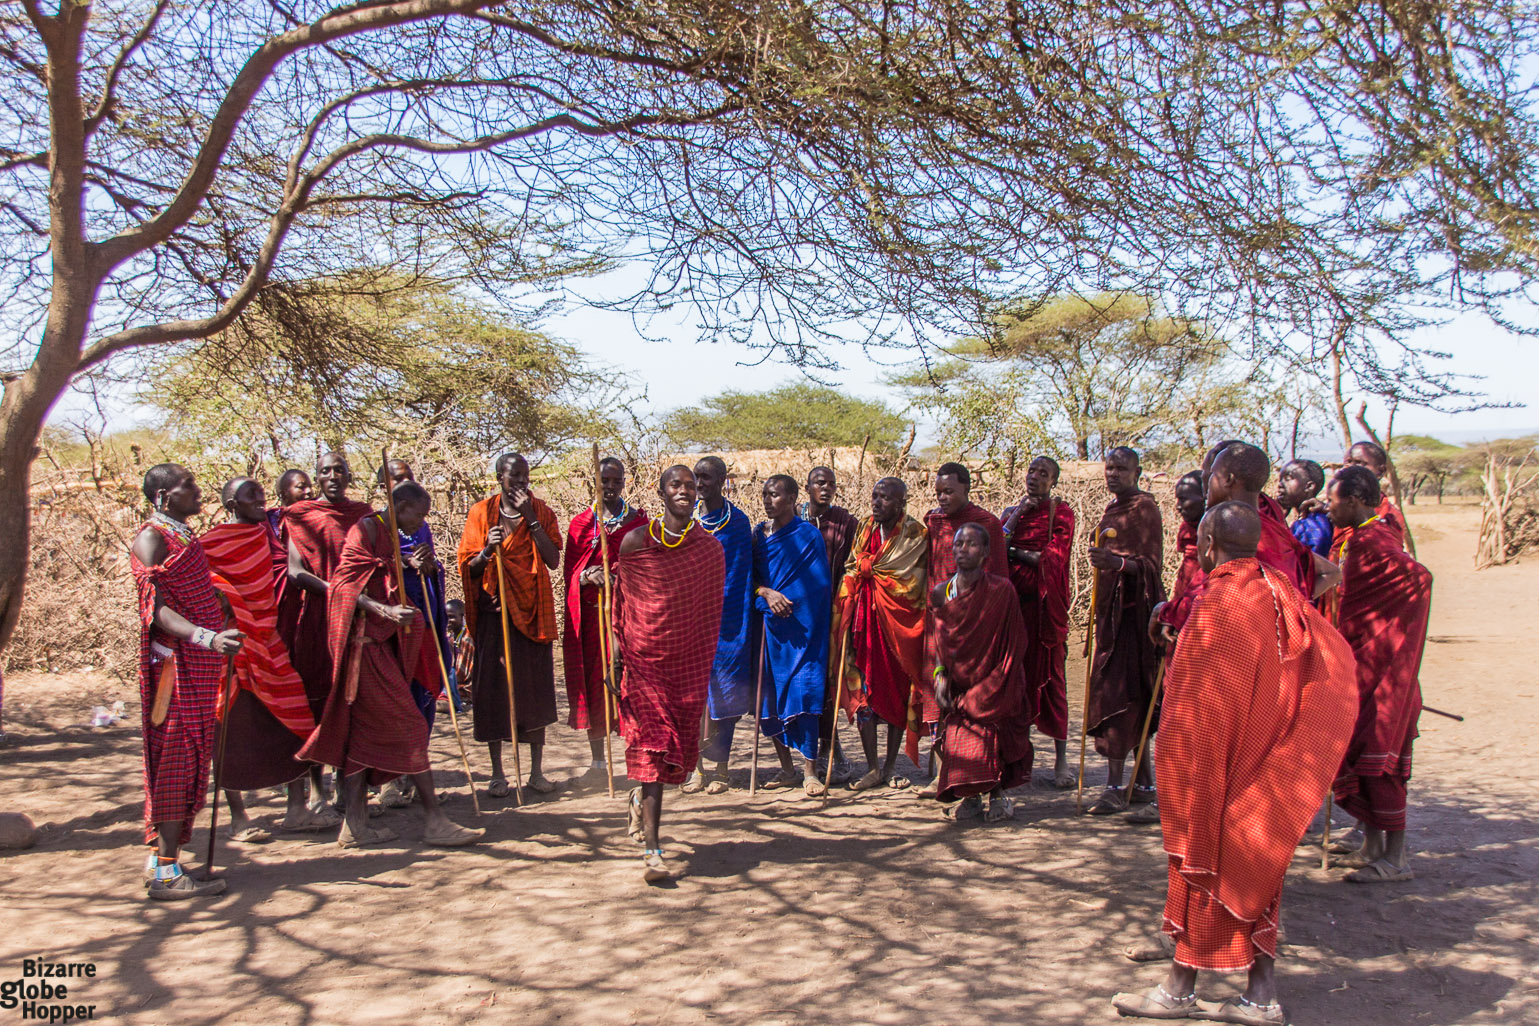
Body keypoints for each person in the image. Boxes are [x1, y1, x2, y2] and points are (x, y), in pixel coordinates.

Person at [1111, 502, 1357, 1025]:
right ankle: (1260, 996)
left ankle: (1179, 990)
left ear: (1206, 543)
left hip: (1220, 766)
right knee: (1258, 870)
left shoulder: (1220, 601)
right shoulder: (1281, 590)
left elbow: (1200, 704)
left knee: (1202, 865)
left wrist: (1187, 773)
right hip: (1267, 762)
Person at [298, 482, 483, 849]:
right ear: (399, 506)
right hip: (363, 650)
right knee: (411, 727)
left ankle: (355, 826)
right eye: (418, 514)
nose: (421, 522)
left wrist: (417, 567)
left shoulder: (391, 536)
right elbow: (343, 587)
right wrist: (384, 609)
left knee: (361, 737)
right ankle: (435, 821)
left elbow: (390, 575)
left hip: (387, 646)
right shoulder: (366, 530)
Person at [130, 464, 244, 899]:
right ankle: (164, 874)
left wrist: (221, 606)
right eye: (187, 487)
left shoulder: (182, 535)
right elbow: (156, 608)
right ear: (162, 496)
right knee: (176, 762)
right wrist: (207, 635)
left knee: (191, 759)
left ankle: (164, 860)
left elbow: (195, 590)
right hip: (174, 672)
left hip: (198, 663)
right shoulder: (152, 539)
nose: (198, 492)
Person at [201, 477, 337, 840]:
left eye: (262, 494)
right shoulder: (211, 541)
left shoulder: (273, 534)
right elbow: (197, 580)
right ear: (231, 503)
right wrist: (222, 590)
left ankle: (297, 809)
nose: (260, 501)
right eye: (251, 496)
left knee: (295, 719)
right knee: (230, 728)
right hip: (234, 644)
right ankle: (239, 817)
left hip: (269, 641)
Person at [613, 465, 726, 882]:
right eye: (675, 485)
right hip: (643, 662)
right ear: (661, 493)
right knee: (653, 748)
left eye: (690, 486)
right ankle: (652, 850)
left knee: (671, 754)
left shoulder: (708, 550)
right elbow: (620, 605)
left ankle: (640, 803)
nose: (684, 491)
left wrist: (701, 659)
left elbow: (709, 614)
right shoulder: (634, 543)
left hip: (685, 664)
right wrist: (615, 654)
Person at [1326, 465, 1433, 884]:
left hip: (1385, 673)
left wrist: (1396, 648)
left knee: (1382, 764)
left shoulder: (1375, 541)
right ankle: (1371, 848)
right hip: (1363, 666)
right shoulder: (1362, 539)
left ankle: (1397, 859)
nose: (1329, 508)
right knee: (1360, 754)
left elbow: (1419, 579)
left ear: (1353, 501)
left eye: (1334, 501)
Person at [457, 453, 562, 797]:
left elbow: (553, 560)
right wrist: (487, 552)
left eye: (525, 477)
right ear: (499, 477)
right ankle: (498, 774)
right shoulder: (481, 513)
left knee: (534, 692)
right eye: (513, 476)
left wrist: (531, 519)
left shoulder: (542, 511)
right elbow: (468, 567)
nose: (520, 483)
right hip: (494, 613)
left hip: (532, 611)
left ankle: (535, 772)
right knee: (493, 693)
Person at [282, 452, 375, 810]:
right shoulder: (299, 516)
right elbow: (294, 571)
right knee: (317, 702)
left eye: (339, 470)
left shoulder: (363, 514)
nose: (333, 476)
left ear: (349, 476)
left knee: (354, 701)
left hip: (359, 619)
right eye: (325, 471)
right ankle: (317, 791)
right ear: (316, 477)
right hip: (319, 618)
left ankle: (349, 791)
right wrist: (338, 591)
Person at [932, 523, 1033, 823]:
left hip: (996, 681)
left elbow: (1014, 641)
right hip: (959, 685)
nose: (963, 550)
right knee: (961, 739)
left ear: (987, 552)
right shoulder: (942, 593)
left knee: (993, 733)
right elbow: (940, 642)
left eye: (972, 544)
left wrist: (997, 683)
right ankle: (971, 798)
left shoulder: (1002, 591)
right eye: (959, 544)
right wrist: (940, 677)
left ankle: (998, 796)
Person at [1083, 446, 1166, 816]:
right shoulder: (1110, 510)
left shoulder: (1144, 508)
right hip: (1111, 617)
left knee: (1124, 698)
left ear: (1137, 472)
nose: (1113, 474)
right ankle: (1143, 783)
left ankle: (1115, 788)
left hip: (1134, 621)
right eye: (1109, 467)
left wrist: (1115, 562)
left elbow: (1151, 565)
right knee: (1121, 696)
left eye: (1121, 468)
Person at [831, 477, 926, 791]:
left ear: (900, 502)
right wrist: (852, 582)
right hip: (863, 625)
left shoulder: (915, 534)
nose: (876, 502)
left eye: (885, 498)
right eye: (874, 496)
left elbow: (914, 584)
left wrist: (874, 573)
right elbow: (851, 565)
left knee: (898, 694)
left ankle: (890, 766)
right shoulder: (865, 528)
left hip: (898, 628)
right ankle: (872, 768)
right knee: (864, 694)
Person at [917, 462, 1008, 789]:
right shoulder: (934, 522)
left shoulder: (987, 524)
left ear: (967, 489)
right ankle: (945, 773)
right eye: (938, 492)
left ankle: (983, 776)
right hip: (940, 623)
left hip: (978, 627)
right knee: (939, 694)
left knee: (976, 699)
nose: (942, 498)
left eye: (949, 492)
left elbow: (999, 578)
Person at [563, 456, 648, 787]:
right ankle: (598, 762)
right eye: (604, 481)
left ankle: (634, 757)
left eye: (616, 481)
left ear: (624, 482)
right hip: (592, 619)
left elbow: (647, 568)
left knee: (630, 683)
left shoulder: (639, 522)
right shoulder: (580, 525)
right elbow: (570, 572)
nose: (609, 487)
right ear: (593, 483)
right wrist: (585, 575)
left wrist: (617, 576)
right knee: (595, 684)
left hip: (629, 615)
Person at [376, 458, 450, 808]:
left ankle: (413, 773)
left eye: (407, 478)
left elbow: (432, 569)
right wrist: (402, 562)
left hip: (422, 625)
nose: (403, 483)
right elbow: (364, 571)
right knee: (391, 703)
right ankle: (387, 780)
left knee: (421, 698)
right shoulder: (373, 526)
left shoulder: (419, 527)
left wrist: (430, 566)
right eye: (396, 480)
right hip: (386, 629)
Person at [753, 475, 834, 796]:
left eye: (774, 495)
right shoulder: (758, 537)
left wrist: (794, 605)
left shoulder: (808, 536)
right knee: (768, 699)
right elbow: (749, 580)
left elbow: (819, 587)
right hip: (770, 631)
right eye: (764, 494)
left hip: (804, 631)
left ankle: (810, 771)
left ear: (791, 498)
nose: (767, 500)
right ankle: (787, 769)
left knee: (806, 693)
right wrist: (766, 592)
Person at [1001, 456, 1076, 788]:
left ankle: (1061, 762)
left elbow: (1053, 558)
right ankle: (1016, 758)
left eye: (1043, 474)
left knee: (1053, 683)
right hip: (1014, 611)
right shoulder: (1010, 513)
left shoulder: (1061, 514)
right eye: (1031, 471)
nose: (1034, 478)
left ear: (1053, 481)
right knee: (1013, 683)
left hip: (1046, 612)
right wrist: (1017, 515)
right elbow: (996, 546)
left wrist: (1015, 552)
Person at [684, 455, 755, 793]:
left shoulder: (738, 523)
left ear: (723, 480)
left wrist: (716, 605)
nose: (700, 483)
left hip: (728, 623)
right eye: (696, 476)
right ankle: (696, 769)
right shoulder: (683, 520)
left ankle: (723, 768)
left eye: (707, 477)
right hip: (689, 622)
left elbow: (740, 576)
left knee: (724, 695)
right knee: (694, 698)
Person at [803, 465, 858, 781]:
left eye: (831, 484)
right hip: (801, 614)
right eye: (819, 483)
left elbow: (852, 562)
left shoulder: (845, 522)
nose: (826, 488)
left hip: (834, 612)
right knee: (809, 683)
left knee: (828, 683)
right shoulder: (794, 520)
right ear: (808, 487)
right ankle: (816, 752)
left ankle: (829, 748)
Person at [1342, 440, 1408, 548]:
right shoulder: (1334, 508)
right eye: (1348, 462)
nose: (1351, 468)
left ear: (1381, 471)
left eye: (1359, 463)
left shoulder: (1390, 516)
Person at [1277, 459, 1333, 558]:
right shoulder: (1311, 520)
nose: (1280, 484)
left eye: (1288, 478)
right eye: (1280, 479)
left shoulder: (1312, 525)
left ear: (1309, 486)